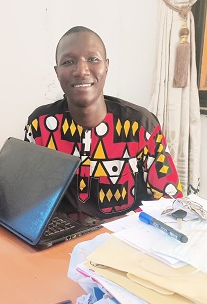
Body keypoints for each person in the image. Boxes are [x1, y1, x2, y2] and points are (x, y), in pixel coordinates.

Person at [24, 26, 182, 219]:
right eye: (68, 62)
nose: (81, 71)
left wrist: (113, 229)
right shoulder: (40, 125)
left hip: (121, 239)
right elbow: (27, 194)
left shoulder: (141, 127)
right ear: (57, 72)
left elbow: (169, 202)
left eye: (92, 59)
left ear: (106, 66)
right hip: (57, 240)